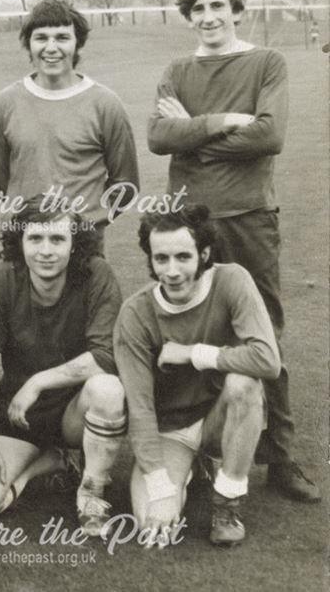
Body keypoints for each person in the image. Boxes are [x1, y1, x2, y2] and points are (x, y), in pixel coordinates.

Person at [147, 0, 319, 503]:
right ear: (189, 17)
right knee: (185, 327)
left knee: (263, 333)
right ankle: (195, 447)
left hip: (249, 216)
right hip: (189, 222)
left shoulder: (267, 61)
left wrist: (192, 136)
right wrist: (221, 120)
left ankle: (281, 459)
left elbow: (270, 135)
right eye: (198, 10)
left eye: (218, 6)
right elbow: (156, 136)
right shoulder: (178, 70)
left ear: (236, 9)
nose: (209, 17)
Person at [114, 205, 281, 546]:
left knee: (245, 382)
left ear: (204, 254)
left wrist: (193, 354)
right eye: (161, 259)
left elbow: (267, 360)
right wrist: (160, 488)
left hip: (217, 420)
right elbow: (140, 406)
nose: (172, 271)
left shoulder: (232, 280)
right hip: (169, 431)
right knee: (153, 526)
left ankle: (227, 503)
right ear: (151, 259)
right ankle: (189, 469)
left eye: (183, 257)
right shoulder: (135, 313)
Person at [0, 199, 126, 537]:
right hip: (23, 417)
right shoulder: (1, 280)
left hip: (76, 414)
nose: (45, 251)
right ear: (19, 242)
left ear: (74, 243)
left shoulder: (96, 274)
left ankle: (91, 492)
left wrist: (38, 381)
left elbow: (106, 356)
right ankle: (53, 462)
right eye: (35, 239)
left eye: (57, 239)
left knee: (108, 389)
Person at [0, 0, 139, 244]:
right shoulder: (5, 103)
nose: (51, 47)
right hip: (23, 239)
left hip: (85, 242)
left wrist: (90, 221)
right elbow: (3, 177)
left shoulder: (105, 104)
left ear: (77, 43)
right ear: (28, 43)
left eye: (61, 37)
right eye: (41, 38)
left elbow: (125, 183)